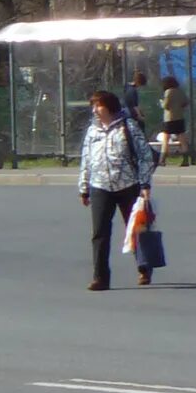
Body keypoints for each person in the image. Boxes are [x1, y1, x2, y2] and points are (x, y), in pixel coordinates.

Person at [79, 88, 157, 291]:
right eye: (93, 106)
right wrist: (84, 187)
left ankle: (143, 267)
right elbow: (86, 159)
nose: (95, 110)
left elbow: (145, 156)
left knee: (135, 229)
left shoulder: (127, 126)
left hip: (127, 185)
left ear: (109, 107)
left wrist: (144, 184)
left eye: (99, 105)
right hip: (100, 186)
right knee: (99, 233)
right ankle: (100, 277)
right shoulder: (92, 131)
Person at [157, 75, 190, 164]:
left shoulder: (168, 92)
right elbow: (186, 102)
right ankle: (186, 160)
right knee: (182, 139)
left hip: (169, 119)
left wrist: (161, 103)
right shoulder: (180, 92)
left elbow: (166, 106)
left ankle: (162, 160)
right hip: (179, 117)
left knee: (165, 139)